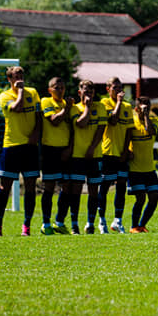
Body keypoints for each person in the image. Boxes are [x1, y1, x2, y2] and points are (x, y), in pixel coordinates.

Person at [0, 66, 41, 237]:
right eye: (15, 76)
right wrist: (20, 91)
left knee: (30, 187)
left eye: (21, 75)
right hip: (11, 145)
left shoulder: (34, 92)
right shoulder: (4, 96)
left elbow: (38, 115)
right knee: (4, 187)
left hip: (30, 147)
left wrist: (36, 134)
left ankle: (26, 225)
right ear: (9, 79)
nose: (20, 78)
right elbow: (17, 108)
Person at [57, 80, 106, 234]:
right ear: (80, 93)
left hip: (95, 155)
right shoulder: (74, 108)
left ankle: (90, 223)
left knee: (93, 191)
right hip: (77, 156)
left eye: (91, 92)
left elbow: (101, 130)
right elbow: (81, 124)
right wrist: (88, 108)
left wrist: (92, 148)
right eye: (85, 92)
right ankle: (74, 225)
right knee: (75, 191)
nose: (88, 95)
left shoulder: (101, 107)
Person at [98, 77, 134, 233]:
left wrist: (126, 151)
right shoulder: (104, 104)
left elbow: (129, 131)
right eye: (115, 88)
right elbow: (112, 121)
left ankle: (117, 221)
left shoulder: (127, 107)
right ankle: (101, 221)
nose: (119, 90)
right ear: (108, 89)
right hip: (108, 152)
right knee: (105, 187)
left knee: (121, 186)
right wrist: (118, 103)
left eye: (120, 87)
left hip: (121, 154)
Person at [39, 77, 72, 235]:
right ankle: (46, 223)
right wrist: (67, 109)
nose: (60, 90)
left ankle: (59, 221)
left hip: (65, 150)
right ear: (49, 90)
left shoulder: (67, 104)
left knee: (67, 187)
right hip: (50, 150)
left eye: (62, 87)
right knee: (49, 187)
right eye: (56, 87)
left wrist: (69, 148)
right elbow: (54, 121)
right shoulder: (46, 102)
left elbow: (72, 129)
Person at [126, 96, 158, 233]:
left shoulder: (155, 120)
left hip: (149, 169)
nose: (146, 109)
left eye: (148, 107)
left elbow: (150, 132)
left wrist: (146, 115)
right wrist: (127, 151)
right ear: (136, 109)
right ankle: (134, 226)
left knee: (154, 198)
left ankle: (142, 225)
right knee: (140, 198)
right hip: (135, 169)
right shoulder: (132, 122)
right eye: (143, 107)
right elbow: (126, 139)